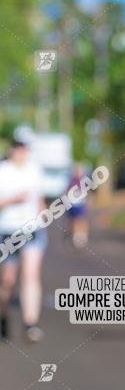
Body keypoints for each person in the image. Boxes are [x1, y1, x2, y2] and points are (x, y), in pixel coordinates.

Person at [0, 139, 48, 342]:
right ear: (11, 149)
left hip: (32, 230)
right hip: (7, 231)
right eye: (18, 147)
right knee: (7, 281)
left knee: (30, 275)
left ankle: (30, 324)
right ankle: (3, 318)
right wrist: (13, 199)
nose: (21, 151)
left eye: (24, 147)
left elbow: (39, 198)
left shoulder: (34, 170)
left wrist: (43, 211)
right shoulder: (3, 171)